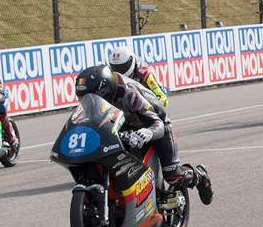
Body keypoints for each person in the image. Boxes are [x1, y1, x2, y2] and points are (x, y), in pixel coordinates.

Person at [76, 65, 212, 206]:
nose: (88, 102)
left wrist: (148, 132)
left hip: (154, 125)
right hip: (125, 128)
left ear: (105, 89)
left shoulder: (129, 95)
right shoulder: (93, 103)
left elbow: (157, 123)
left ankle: (199, 176)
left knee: (173, 176)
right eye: (83, 98)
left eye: (92, 97)